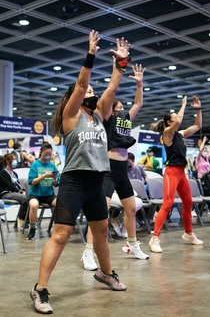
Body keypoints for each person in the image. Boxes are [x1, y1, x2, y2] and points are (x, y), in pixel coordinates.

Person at [30, 32, 129, 314]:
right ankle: (40, 289)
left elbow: (112, 87)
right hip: (74, 181)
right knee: (61, 234)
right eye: (86, 91)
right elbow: (82, 83)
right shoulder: (71, 116)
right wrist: (91, 54)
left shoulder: (99, 115)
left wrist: (121, 64)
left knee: (101, 232)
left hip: (97, 181)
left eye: (91, 91)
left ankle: (105, 273)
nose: (90, 91)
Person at [83, 63, 148, 267]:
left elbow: (138, 104)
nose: (121, 107)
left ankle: (132, 244)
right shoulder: (107, 117)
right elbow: (109, 96)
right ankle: (87, 252)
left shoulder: (125, 119)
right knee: (100, 211)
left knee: (131, 208)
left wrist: (139, 85)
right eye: (118, 105)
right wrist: (116, 76)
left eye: (121, 106)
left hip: (122, 171)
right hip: (108, 169)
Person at [147, 95, 204, 253]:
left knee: (188, 202)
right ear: (169, 122)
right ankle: (155, 238)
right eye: (174, 118)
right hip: (171, 171)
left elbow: (198, 125)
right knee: (168, 203)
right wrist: (183, 104)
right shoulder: (167, 133)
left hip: (181, 172)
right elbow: (178, 121)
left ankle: (188, 233)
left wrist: (198, 109)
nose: (178, 119)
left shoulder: (181, 134)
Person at [27, 143, 59, 240]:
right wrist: (44, 176)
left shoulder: (52, 166)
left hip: (49, 194)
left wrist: (55, 180)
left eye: (49, 154)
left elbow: (56, 183)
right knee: (34, 205)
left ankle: (58, 228)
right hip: (35, 194)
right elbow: (32, 182)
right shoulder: (35, 165)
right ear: (41, 152)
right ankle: (32, 229)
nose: (48, 156)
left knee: (61, 204)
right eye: (46, 154)